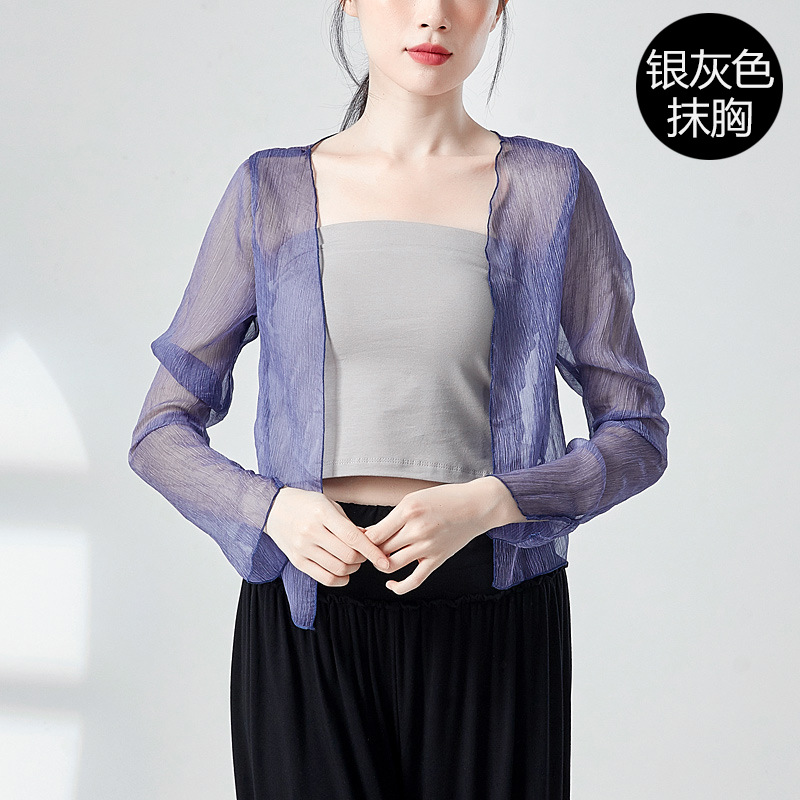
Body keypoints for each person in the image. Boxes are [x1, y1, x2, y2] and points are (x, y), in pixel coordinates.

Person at [128, 1, 669, 798]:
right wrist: (270, 509)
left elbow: (636, 432)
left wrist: (496, 501)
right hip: (309, 617)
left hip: (497, 612)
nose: (432, 16)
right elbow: (160, 430)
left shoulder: (549, 190)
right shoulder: (272, 192)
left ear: (497, 9)